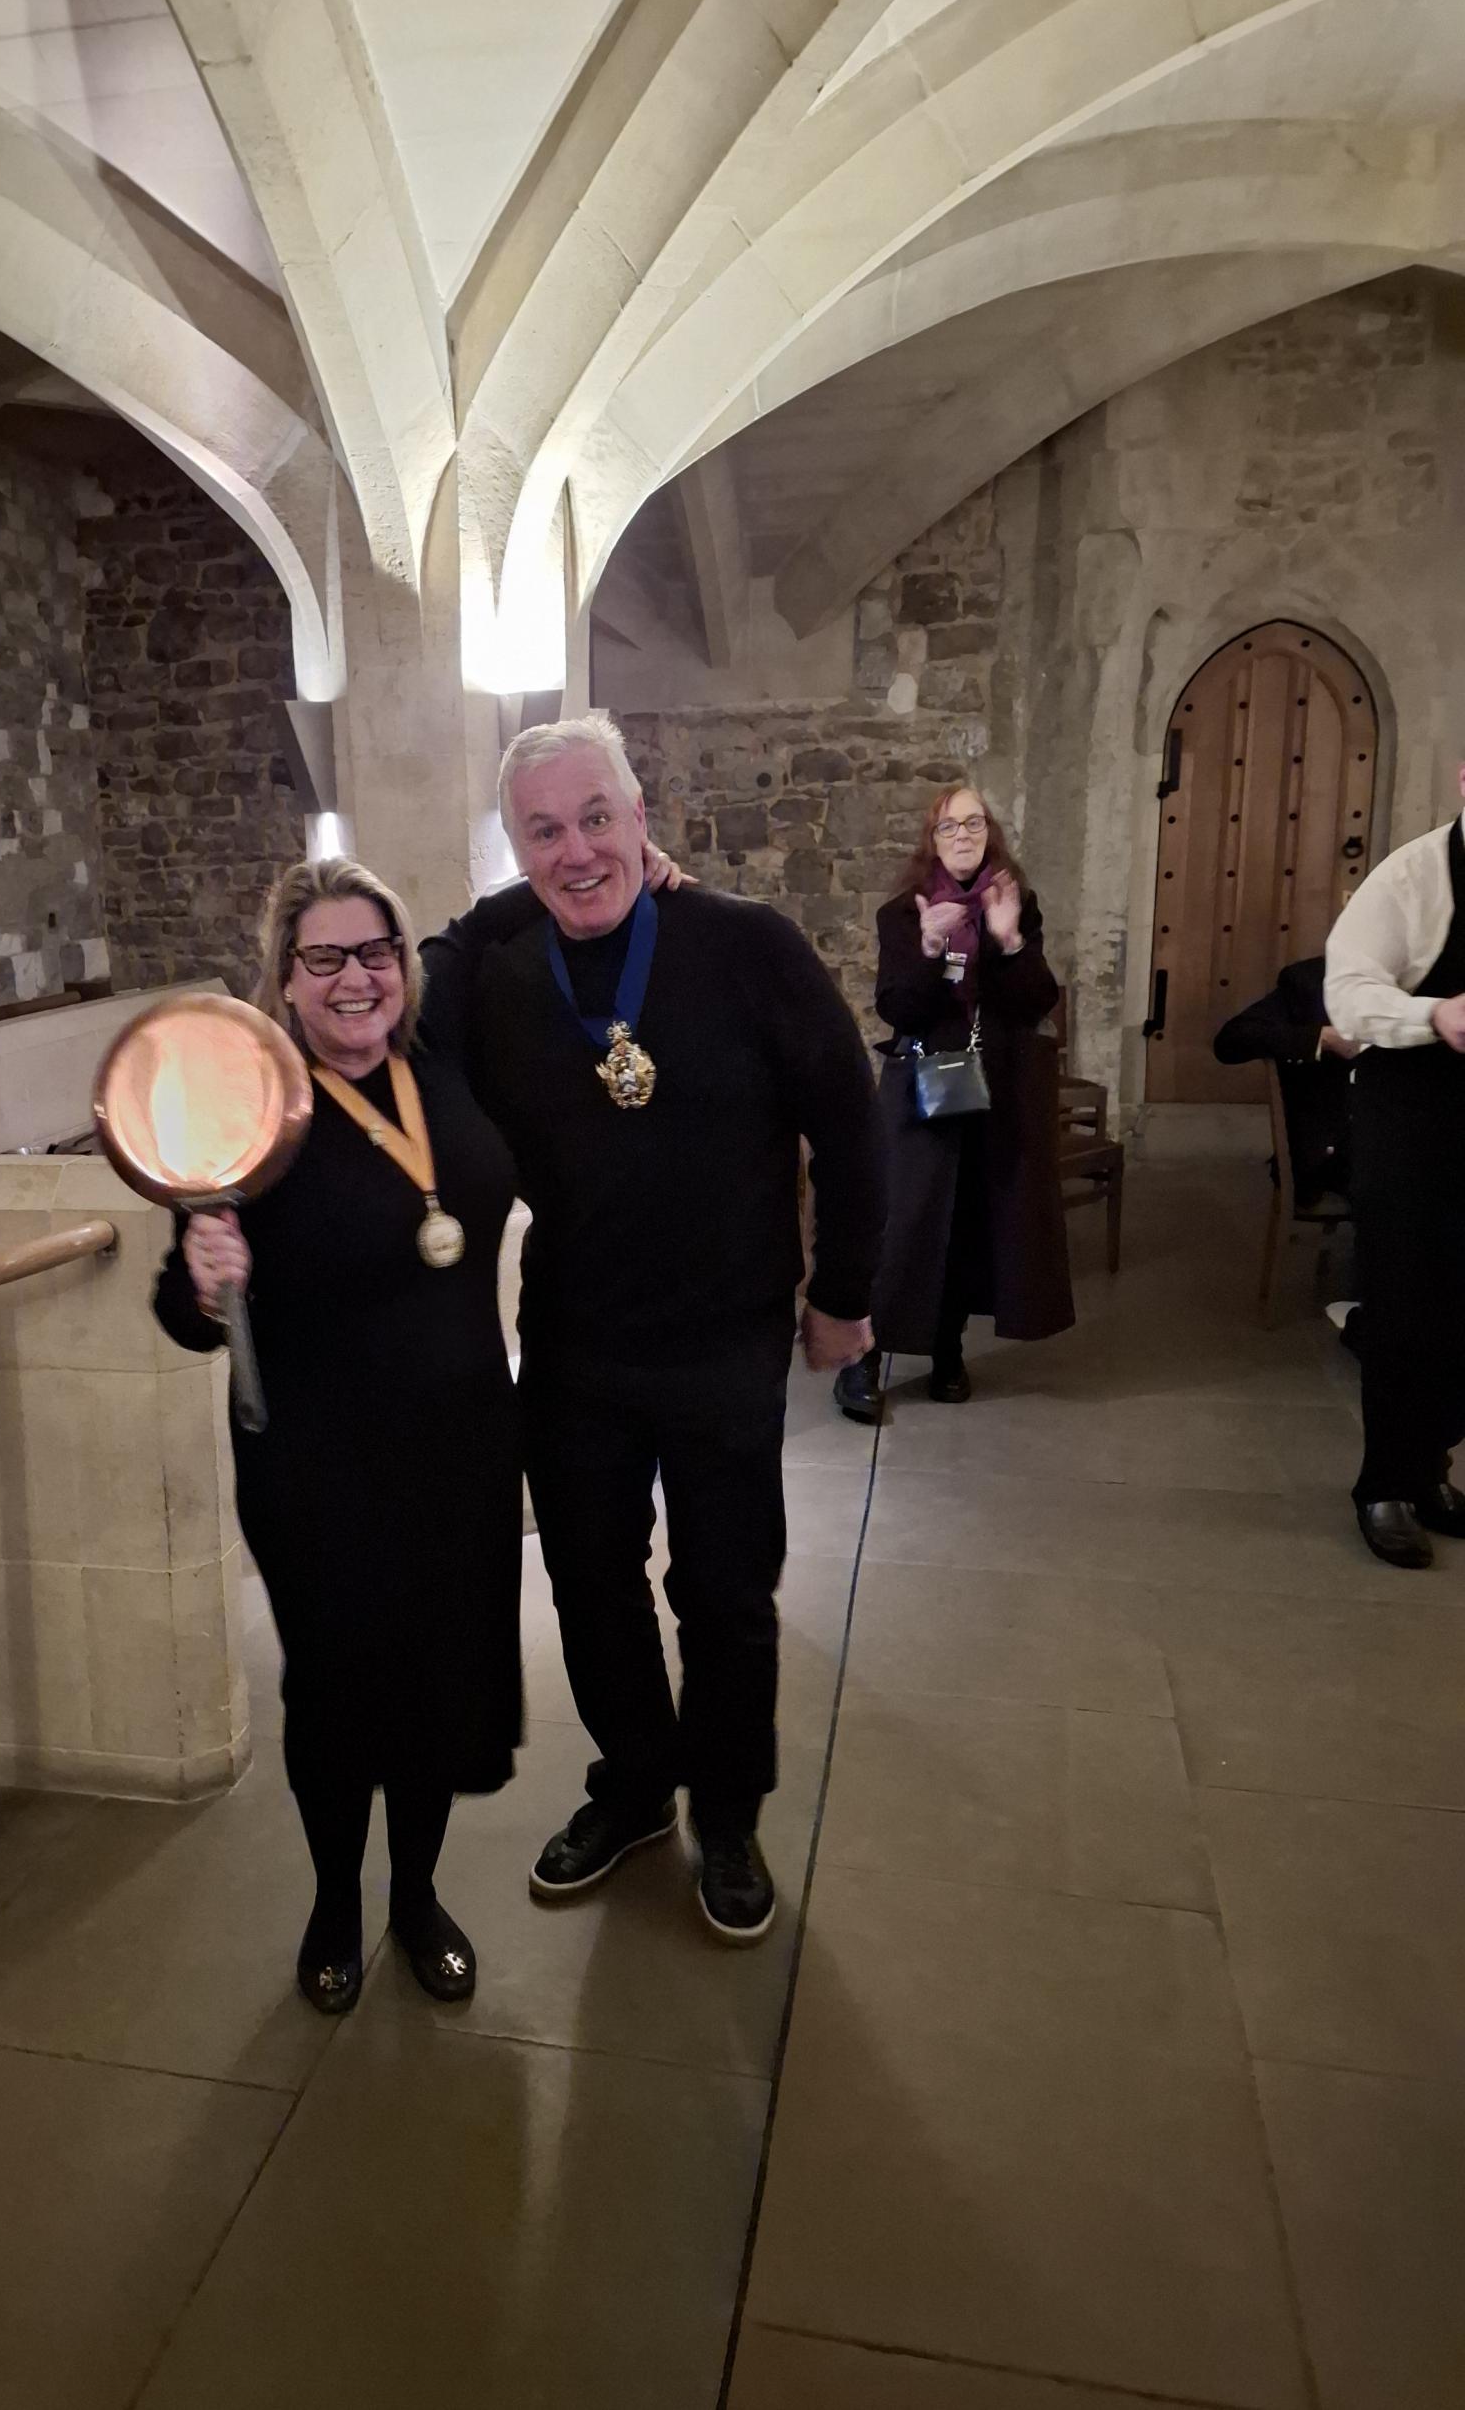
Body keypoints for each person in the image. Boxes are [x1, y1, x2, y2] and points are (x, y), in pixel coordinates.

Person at [420, 711, 879, 1945]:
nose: (577, 851)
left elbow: (848, 1115)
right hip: (575, 1341)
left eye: (597, 819)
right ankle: (632, 1783)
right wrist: (515, 901)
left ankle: (726, 1814)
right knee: (588, 1581)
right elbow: (410, 996)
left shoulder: (746, 946)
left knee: (725, 1591)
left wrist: (844, 1291)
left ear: (642, 815)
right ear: (514, 848)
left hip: (728, 1335)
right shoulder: (500, 972)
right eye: (543, 832)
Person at [152, 857, 523, 2011]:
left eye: (374, 951)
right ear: (285, 975)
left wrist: (643, 869)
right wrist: (204, 1278)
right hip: (321, 1469)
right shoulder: (253, 1111)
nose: (356, 978)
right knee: (336, 1692)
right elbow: (182, 1314)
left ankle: (416, 1896)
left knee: (438, 1683)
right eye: (325, 957)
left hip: (461, 1448)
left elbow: (497, 917)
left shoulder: (442, 1063)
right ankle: (333, 1903)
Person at [834, 784, 1072, 1421]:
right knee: (902, 1224)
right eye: (948, 826)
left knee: (967, 1222)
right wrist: (930, 950)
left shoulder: (1013, 902)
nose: (962, 836)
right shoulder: (902, 913)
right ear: (931, 840)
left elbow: (1036, 1001)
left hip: (995, 1089)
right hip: (922, 1084)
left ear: (989, 832)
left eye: (973, 823)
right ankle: (862, 1360)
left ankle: (947, 1351)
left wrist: (1010, 939)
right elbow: (899, 1007)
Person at [1323, 761, 1465, 1569]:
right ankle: (1384, 1483)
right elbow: (1347, 994)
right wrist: (1434, 1014)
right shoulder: (1411, 876)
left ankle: (1428, 1467)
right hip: (1410, 1115)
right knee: (1407, 1303)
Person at [1213, 956, 1357, 1210]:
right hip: (1334, 1153)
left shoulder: (1426, 986)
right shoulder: (1312, 979)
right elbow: (1231, 1041)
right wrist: (1321, 1038)